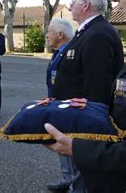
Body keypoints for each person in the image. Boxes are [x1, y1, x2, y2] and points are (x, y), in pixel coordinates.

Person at [44, 0, 126, 193]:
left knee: (86, 180)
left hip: (90, 128)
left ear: (86, 5)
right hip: (88, 132)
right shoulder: (87, 32)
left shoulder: (98, 33)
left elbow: (97, 87)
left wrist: (87, 141)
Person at [45, 19, 76, 193]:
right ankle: (67, 179)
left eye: (49, 32)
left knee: (69, 144)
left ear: (60, 35)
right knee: (60, 142)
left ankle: (75, 185)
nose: (47, 35)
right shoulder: (57, 52)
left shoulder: (72, 52)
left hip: (68, 106)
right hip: (56, 102)